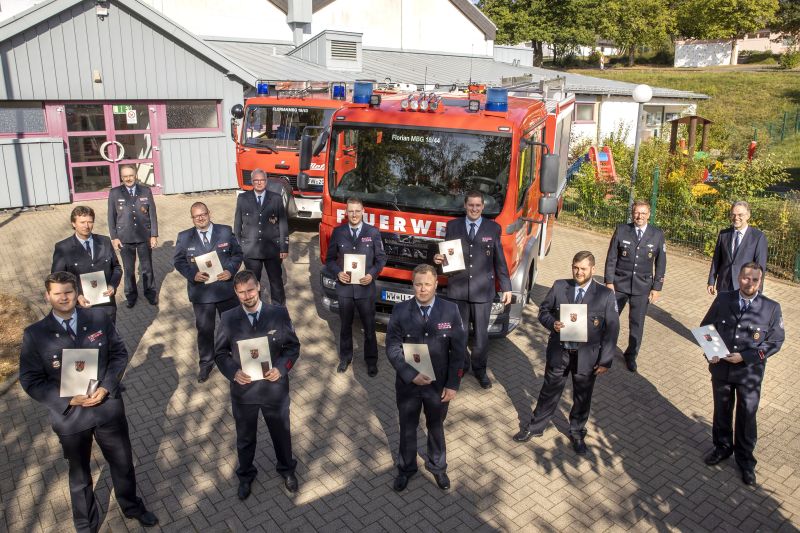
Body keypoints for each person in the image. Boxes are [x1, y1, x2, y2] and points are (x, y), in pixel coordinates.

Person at [19, 271, 158, 532]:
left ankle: (131, 505)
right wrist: (67, 398)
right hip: (71, 416)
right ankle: (86, 524)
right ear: (47, 296)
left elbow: (118, 353)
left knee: (122, 461)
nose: (63, 298)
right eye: (57, 293)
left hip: (106, 407)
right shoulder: (35, 334)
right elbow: (30, 380)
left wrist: (106, 388)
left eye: (68, 292)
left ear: (76, 293)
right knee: (80, 475)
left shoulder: (98, 317)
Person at [513, 251, 619, 456]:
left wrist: (606, 360)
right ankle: (536, 427)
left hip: (587, 358)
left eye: (583, 269)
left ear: (593, 270)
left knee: (582, 397)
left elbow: (612, 330)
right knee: (549, 391)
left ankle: (577, 432)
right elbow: (543, 311)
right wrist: (553, 323)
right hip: (560, 352)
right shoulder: (560, 286)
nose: (579, 272)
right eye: (575, 267)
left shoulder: (605, 296)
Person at [214, 270, 300, 498]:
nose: (247, 296)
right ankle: (245, 475)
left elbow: (293, 347)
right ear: (235, 292)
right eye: (241, 292)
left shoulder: (279, 314)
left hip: (274, 389)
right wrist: (233, 373)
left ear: (259, 287)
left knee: (281, 434)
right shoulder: (228, 318)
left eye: (250, 290)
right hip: (244, 391)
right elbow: (220, 353)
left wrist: (281, 369)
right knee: (244, 438)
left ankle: (287, 469)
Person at [700, 262, 783, 485]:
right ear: (739, 278)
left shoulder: (771, 308)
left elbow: (775, 342)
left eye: (755, 279)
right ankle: (722, 448)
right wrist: (713, 352)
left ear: (761, 281)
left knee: (747, 416)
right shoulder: (724, 299)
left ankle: (746, 461)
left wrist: (746, 357)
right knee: (722, 410)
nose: (750, 283)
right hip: (722, 369)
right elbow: (706, 328)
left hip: (749, 373)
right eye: (747, 278)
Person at [385, 264, 466, 492]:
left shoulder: (450, 310)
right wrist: (410, 374)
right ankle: (406, 468)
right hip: (409, 384)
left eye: (427, 284)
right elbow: (392, 347)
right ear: (413, 285)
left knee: (436, 426)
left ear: (436, 284)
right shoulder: (400, 311)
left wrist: (453, 384)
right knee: (408, 427)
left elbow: (459, 351)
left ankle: (438, 466)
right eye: (418, 284)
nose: (423, 289)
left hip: (438, 385)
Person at [433, 191, 511, 389]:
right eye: (471, 205)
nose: (474, 209)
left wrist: (506, 287)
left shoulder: (493, 228)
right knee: (458, 334)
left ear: (483, 207)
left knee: (481, 337)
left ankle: (480, 370)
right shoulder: (453, 226)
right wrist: (438, 261)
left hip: (483, 291)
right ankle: (460, 369)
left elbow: (499, 261)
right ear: (465, 206)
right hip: (458, 289)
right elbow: (446, 259)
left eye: (478, 205)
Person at [174, 202, 243, 383]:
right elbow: (179, 261)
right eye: (196, 216)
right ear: (192, 218)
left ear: (209, 213)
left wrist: (230, 270)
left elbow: (237, 254)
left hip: (225, 290)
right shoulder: (184, 237)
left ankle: (236, 359)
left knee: (232, 327)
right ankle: (206, 363)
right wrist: (192, 275)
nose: (201, 218)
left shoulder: (225, 231)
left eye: (203, 214)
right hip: (202, 294)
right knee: (205, 330)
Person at [324, 197, 387, 376]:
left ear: (363, 211)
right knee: (345, 326)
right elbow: (329, 260)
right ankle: (345, 358)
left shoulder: (372, 232)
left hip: (365, 288)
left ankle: (371, 361)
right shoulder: (338, 232)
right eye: (350, 211)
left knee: (369, 326)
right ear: (346, 212)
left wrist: (371, 274)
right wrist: (337, 273)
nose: (354, 214)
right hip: (345, 289)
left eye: (357, 211)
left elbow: (381, 258)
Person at [604, 200, 666, 371]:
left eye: (643, 213)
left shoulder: (657, 234)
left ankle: (631, 355)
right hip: (619, 284)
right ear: (632, 213)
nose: (639, 216)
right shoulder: (622, 230)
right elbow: (611, 258)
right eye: (637, 213)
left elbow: (661, 263)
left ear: (649, 214)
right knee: (610, 320)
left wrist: (656, 288)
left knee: (637, 324)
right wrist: (609, 282)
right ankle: (606, 353)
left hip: (642, 287)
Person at [52, 206, 122, 323]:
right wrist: (77, 295)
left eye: (90, 222)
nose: (86, 226)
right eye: (82, 222)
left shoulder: (104, 241)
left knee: (110, 338)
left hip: (106, 305)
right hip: (80, 306)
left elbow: (116, 268)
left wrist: (112, 285)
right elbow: (57, 279)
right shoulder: (63, 248)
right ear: (74, 224)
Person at [234, 169, 289, 305]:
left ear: (266, 181)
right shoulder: (243, 198)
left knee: (276, 281)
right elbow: (237, 225)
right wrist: (240, 247)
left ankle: (278, 310)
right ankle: (255, 309)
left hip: (272, 249)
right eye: (256, 180)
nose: (259, 183)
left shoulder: (275, 198)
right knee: (252, 283)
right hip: (251, 250)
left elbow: (282, 224)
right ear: (252, 182)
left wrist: (284, 247)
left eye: (262, 180)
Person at [107, 164, 159, 307]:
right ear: (121, 178)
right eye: (125, 176)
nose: (128, 179)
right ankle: (131, 295)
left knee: (147, 268)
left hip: (144, 236)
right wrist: (114, 237)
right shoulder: (115, 193)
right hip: (125, 237)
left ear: (135, 175)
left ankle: (150, 293)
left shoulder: (145, 191)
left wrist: (153, 235)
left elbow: (152, 214)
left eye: (131, 175)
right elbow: (111, 217)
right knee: (129, 269)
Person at [708, 201, 767, 295]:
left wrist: (758, 291)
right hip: (724, 285)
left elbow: (760, 267)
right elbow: (716, 260)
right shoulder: (724, 234)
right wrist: (711, 281)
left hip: (745, 287)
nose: (736, 218)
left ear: (748, 215)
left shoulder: (758, 237)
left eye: (740, 215)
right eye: (733, 214)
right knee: (723, 310)